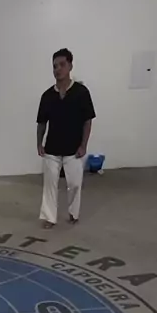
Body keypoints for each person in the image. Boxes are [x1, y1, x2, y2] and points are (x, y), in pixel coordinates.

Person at [36, 48, 96, 229]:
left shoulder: (81, 92)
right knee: (50, 184)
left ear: (70, 66)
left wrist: (83, 145)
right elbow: (41, 123)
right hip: (52, 149)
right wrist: (39, 143)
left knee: (75, 184)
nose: (58, 69)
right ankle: (49, 217)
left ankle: (73, 213)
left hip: (74, 149)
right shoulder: (47, 96)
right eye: (55, 66)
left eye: (62, 65)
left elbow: (87, 121)